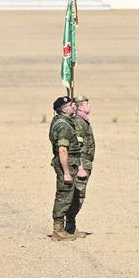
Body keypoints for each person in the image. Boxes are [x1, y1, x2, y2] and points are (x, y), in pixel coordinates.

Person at [48, 96, 82, 241]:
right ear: (63, 109)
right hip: (65, 165)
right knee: (63, 196)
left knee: (69, 196)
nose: (73, 106)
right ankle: (58, 230)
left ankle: (67, 229)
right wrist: (66, 172)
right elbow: (63, 150)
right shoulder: (64, 126)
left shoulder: (63, 122)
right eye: (70, 105)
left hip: (70, 163)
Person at [66, 96, 95, 238]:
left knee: (79, 195)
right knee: (78, 195)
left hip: (86, 161)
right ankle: (69, 227)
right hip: (82, 162)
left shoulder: (84, 121)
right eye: (86, 103)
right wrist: (81, 167)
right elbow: (77, 146)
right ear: (80, 107)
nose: (89, 105)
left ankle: (69, 226)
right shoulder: (78, 122)